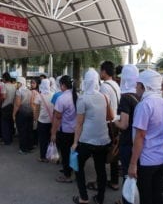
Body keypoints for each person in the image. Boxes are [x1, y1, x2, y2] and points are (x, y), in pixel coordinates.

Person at [128, 69, 163, 204]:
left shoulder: (144, 105)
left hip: (147, 160)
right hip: (162, 157)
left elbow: (140, 136)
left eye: (138, 85)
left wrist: (133, 163)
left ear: (144, 86)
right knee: (157, 195)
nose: (136, 88)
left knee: (145, 197)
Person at [71, 68, 110, 204]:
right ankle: (100, 198)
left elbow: (79, 124)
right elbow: (107, 117)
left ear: (86, 82)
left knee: (77, 166)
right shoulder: (104, 97)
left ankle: (83, 198)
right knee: (101, 170)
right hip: (103, 140)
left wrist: (75, 142)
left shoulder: (82, 99)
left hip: (86, 141)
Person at [113, 64, 139, 204]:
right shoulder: (140, 95)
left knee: (127, 174)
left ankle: (127, 200)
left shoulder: (125, 98)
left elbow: (124, 124)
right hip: (138, 142)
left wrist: (113, 121)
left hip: (127, 141)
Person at [51, 75, 77, 183]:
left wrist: (53, 133)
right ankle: (72, 170)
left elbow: (57, 118)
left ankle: (67, 176)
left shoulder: (61, 98)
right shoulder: (77, 96)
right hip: (76, 131)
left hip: (65, 131)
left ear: (63, 85)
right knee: (73, 152)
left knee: (65, 154)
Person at [99, 61, 121, 190]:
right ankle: (114, 181)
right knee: (114, 152)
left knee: (104, 152)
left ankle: (102, 181)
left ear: (104, 71)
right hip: (116, 122)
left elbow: (104, 106)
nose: (99, 73)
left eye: (100, 70)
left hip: (109, 123)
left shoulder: (105, 86)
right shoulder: (115, 85)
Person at [34, 78, 54, 162]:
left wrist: (35, 119)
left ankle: (43, 157)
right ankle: (51, 155)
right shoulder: (53, 94)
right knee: (50, 139)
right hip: (52, 121)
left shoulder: (39, 96)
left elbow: (37, 110)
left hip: (42, 121)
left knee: (43, 140)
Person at [13, 76, 33, 154]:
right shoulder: (29, 91)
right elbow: (31, 103)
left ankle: (23, 149)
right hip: (29, 112)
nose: (16, 84)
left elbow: (17, 104)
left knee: (22, 131)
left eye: (17, 83)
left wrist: (13, 114)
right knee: (29, 130)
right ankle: (29, 147)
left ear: (21, 83)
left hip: (21, 113)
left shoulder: (19, 91)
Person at [0, 72, 16, 145]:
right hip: (12, 106)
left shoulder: (4, 86)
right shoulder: (13, 86)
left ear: (4, 78)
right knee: (10, 123)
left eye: (2, 78)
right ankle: (10, 138)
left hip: (5, 106)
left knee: (5, 124)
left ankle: (6, 140)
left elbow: (4, 97)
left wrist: (0, 101)